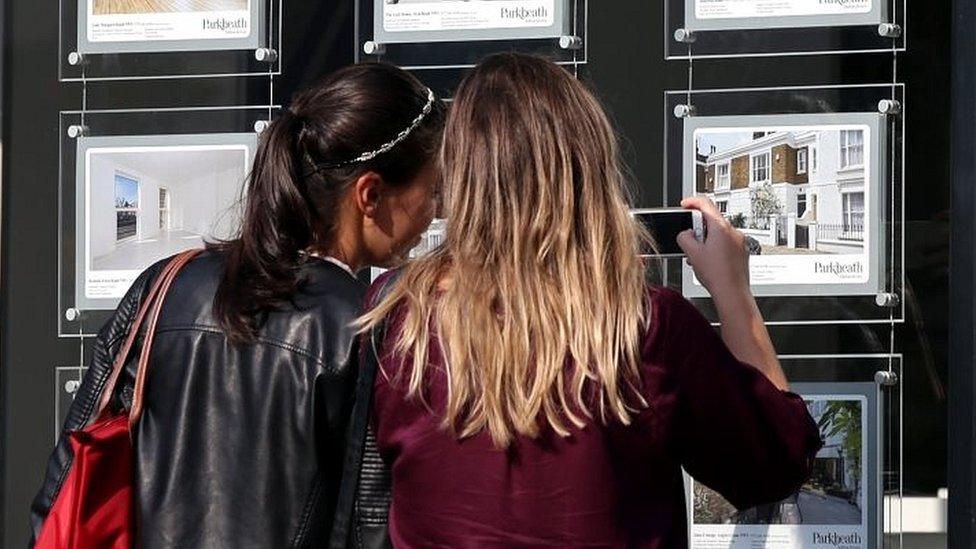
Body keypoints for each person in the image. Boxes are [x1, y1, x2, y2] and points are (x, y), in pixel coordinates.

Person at [357, 53, 823, 548]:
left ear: (460, 178)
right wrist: (734, 293)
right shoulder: (645, 327)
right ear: (590, 172)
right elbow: (779, 462)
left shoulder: (395, 320)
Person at [29, 63, 445, 548]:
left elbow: (65, 483)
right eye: (431, 189)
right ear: (370, 194)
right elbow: (370, 524)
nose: (434, 211)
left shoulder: (163, 284)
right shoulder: (368, 324)